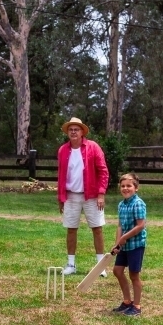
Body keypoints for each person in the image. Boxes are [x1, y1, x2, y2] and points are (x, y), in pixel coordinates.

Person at [56, 117, 109, 276]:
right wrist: (61, 197)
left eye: (76, 129)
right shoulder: (63, 150)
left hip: (92, 195)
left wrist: (101, 194)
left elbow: (103, 171)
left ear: (82, 132)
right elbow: (61, 175)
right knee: (71, 229)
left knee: (97, 228)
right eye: (70, 129)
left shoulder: (93, 147)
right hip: (71, 195)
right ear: (68, 132)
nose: (73, 132)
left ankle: (100, 267)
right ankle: (71, 265)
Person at [111, 173, 147, 317]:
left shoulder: (138, 203)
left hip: (136, 245)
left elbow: (140, 226)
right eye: (123, 186)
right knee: (117, 271)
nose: (125, 188)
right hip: (125, 245)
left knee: (134, 275)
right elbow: (120, 225)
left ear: (136, 188)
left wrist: (125, 238)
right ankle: (127, 301)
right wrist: (117, 243)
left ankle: (136, 306)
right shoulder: (121, 205)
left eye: (129, 186)